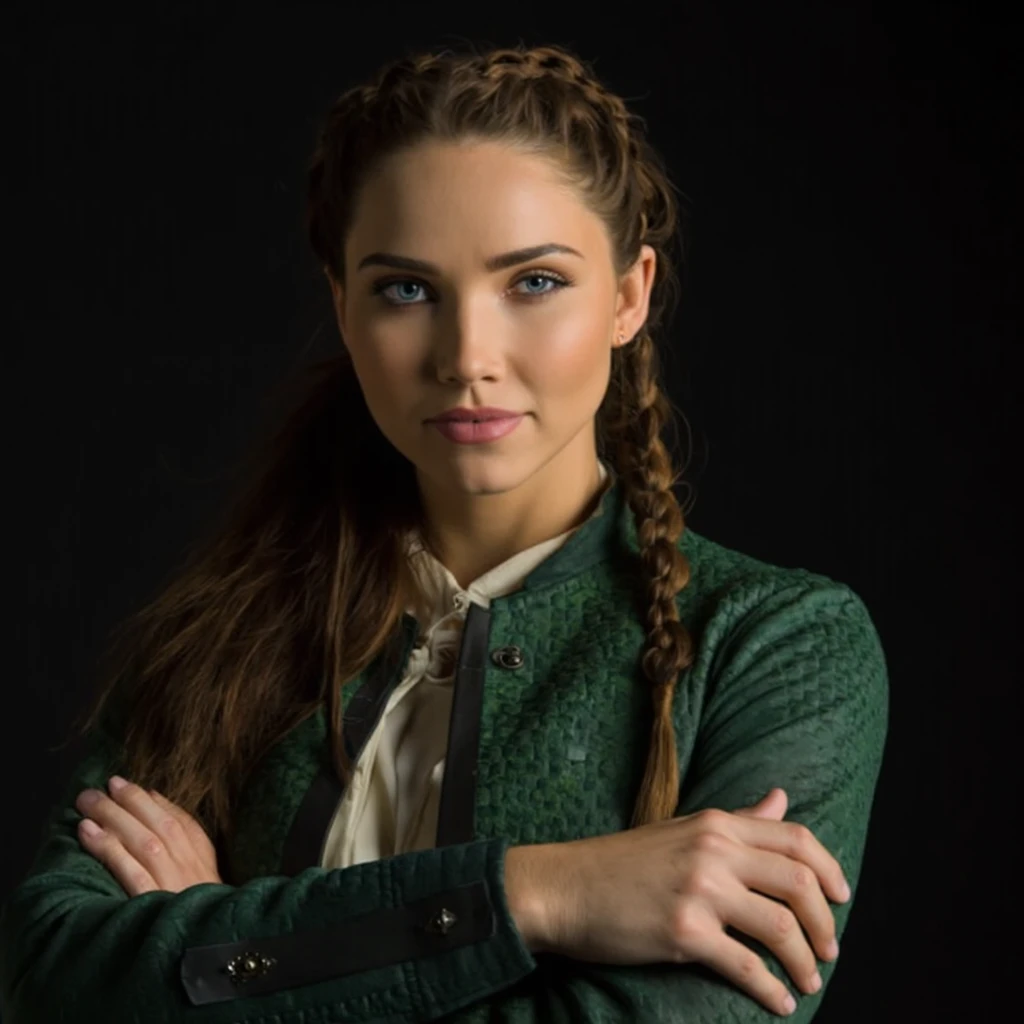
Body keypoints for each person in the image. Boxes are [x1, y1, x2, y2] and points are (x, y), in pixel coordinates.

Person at [0, 41, 888, 1023]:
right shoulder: (213, 644)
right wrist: (539, 893)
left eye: (535, 282)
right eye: (406, 290)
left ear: (629, 294)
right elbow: (51, 978)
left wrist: (228, 939)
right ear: (343, 306)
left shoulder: (778, 646)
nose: (468, 357)